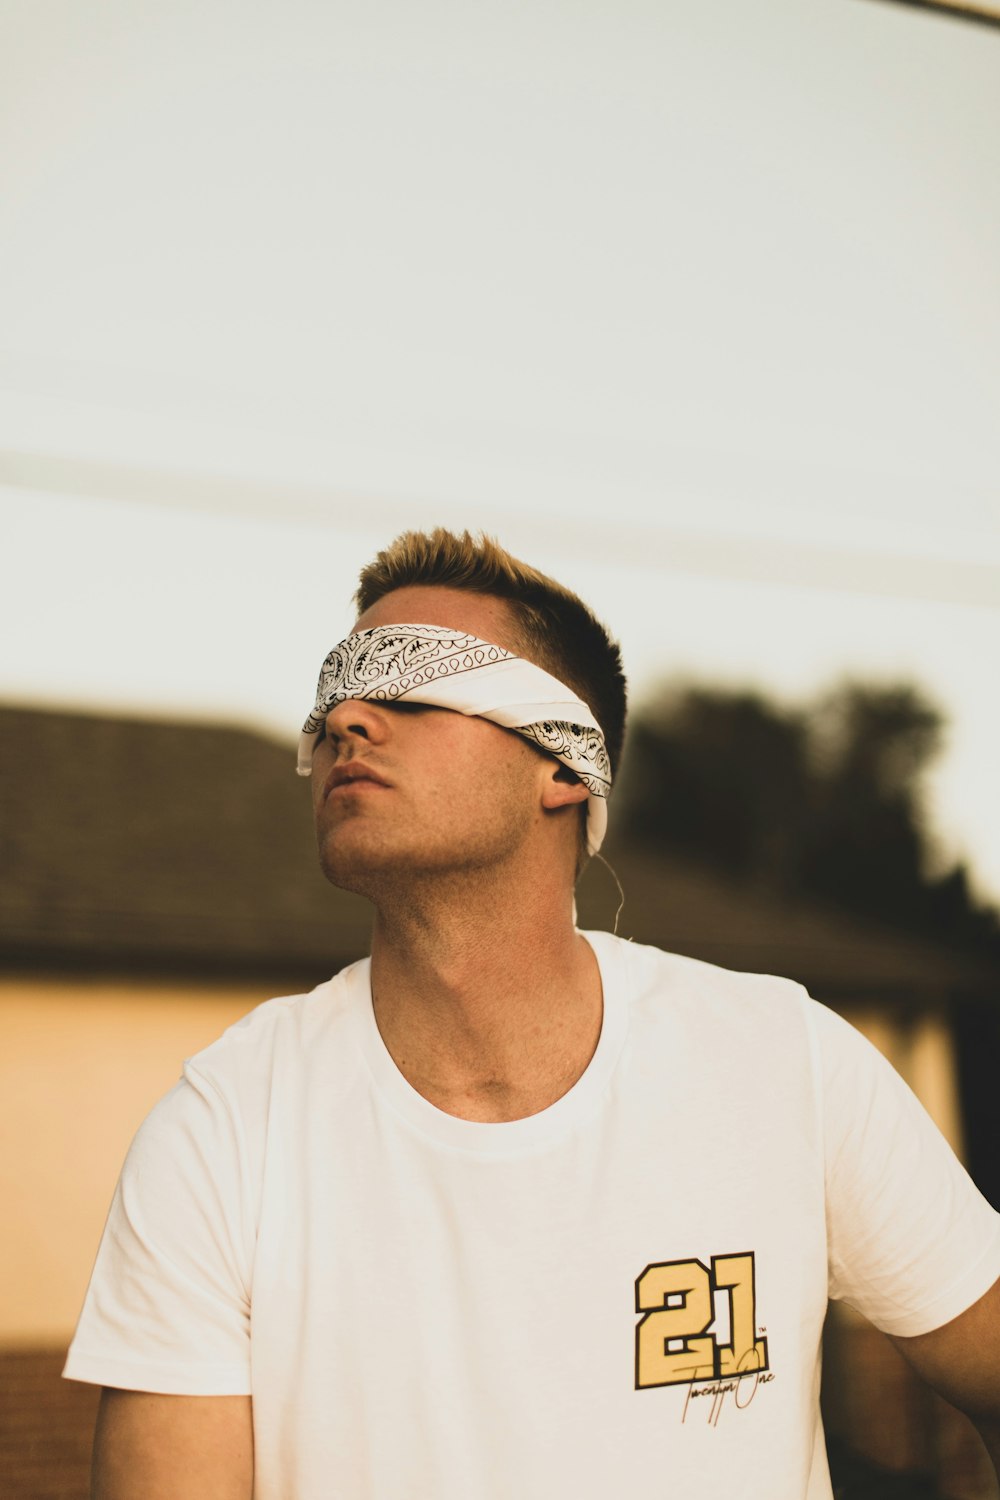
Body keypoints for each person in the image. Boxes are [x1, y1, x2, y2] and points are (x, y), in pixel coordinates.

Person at [65, 529, 1000, 1500]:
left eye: (412, 687)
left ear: (563, 765)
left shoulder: (784, 1063)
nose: (346, 716)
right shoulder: (223, 1130)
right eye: (334, 691)